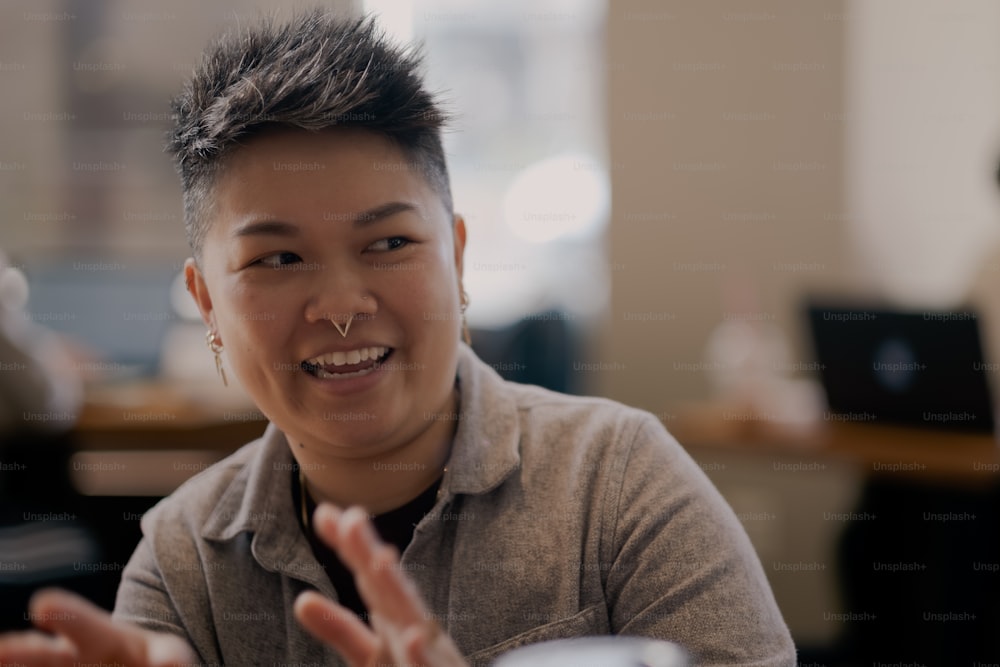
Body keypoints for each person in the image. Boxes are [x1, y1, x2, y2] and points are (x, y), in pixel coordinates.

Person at [0, 10, 796, 667]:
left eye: (388, 244)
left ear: (456, 255)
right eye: (278, 258)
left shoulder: (618, 484)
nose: (342, 306)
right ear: (205, 301)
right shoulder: (184, 566)